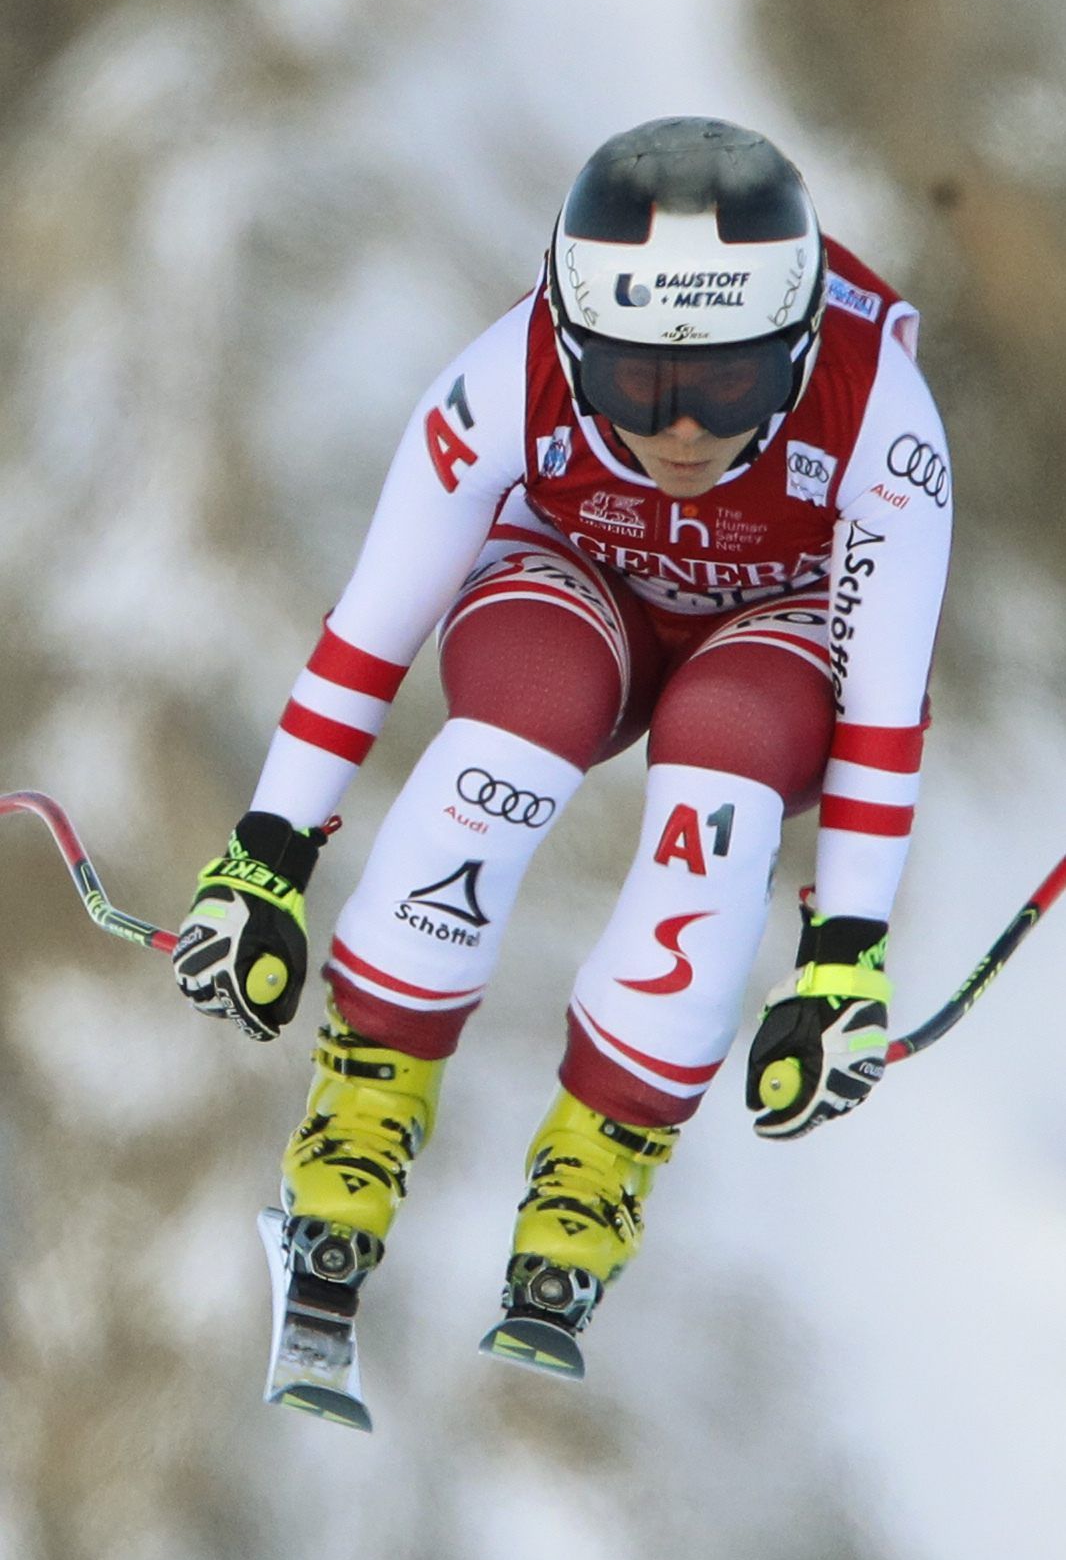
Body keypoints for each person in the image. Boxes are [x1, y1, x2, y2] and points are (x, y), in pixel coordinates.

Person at [173, 117, 951, 1370]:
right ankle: (359, 1116)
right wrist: (264, 858)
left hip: (779, 623)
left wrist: (843, 956)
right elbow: (371, 631)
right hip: (574, 582)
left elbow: (880, 706)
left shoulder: (879, 418)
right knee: (523, 714)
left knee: (728, 739)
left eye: (732, 383)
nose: (685, 432)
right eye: (637, 385)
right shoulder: (504, 374)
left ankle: (593, 1175)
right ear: (574, 343)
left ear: (801, 350)